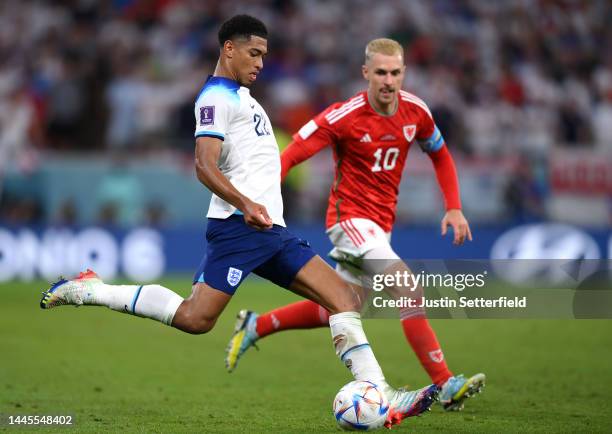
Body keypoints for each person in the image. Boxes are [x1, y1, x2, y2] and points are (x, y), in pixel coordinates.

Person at [39, 16, 437, 428]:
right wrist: (245, 202)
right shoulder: (215, 99)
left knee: (345, 299)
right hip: (240, 228)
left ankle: (381, 392)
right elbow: (203, 166)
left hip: (270, 230)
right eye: (254, 53)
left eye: (264, 54)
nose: (261, 62)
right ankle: (91, 290)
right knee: (197, 319)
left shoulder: (241, 97)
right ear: (229, 48)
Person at [225, 38, 485, 411]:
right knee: (408, 291)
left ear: (404, 74)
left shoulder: (417, 112)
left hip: (381, 226)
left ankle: (256, 325)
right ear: (366, 73)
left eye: (395, 72)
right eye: (380, 72)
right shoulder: (343, 116)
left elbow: (441, 155)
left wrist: (454, 208)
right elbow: (294, 152)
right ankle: (444, 384)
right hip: (349, 221)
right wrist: (256, 198)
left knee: (344, 303)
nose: (388, 80)